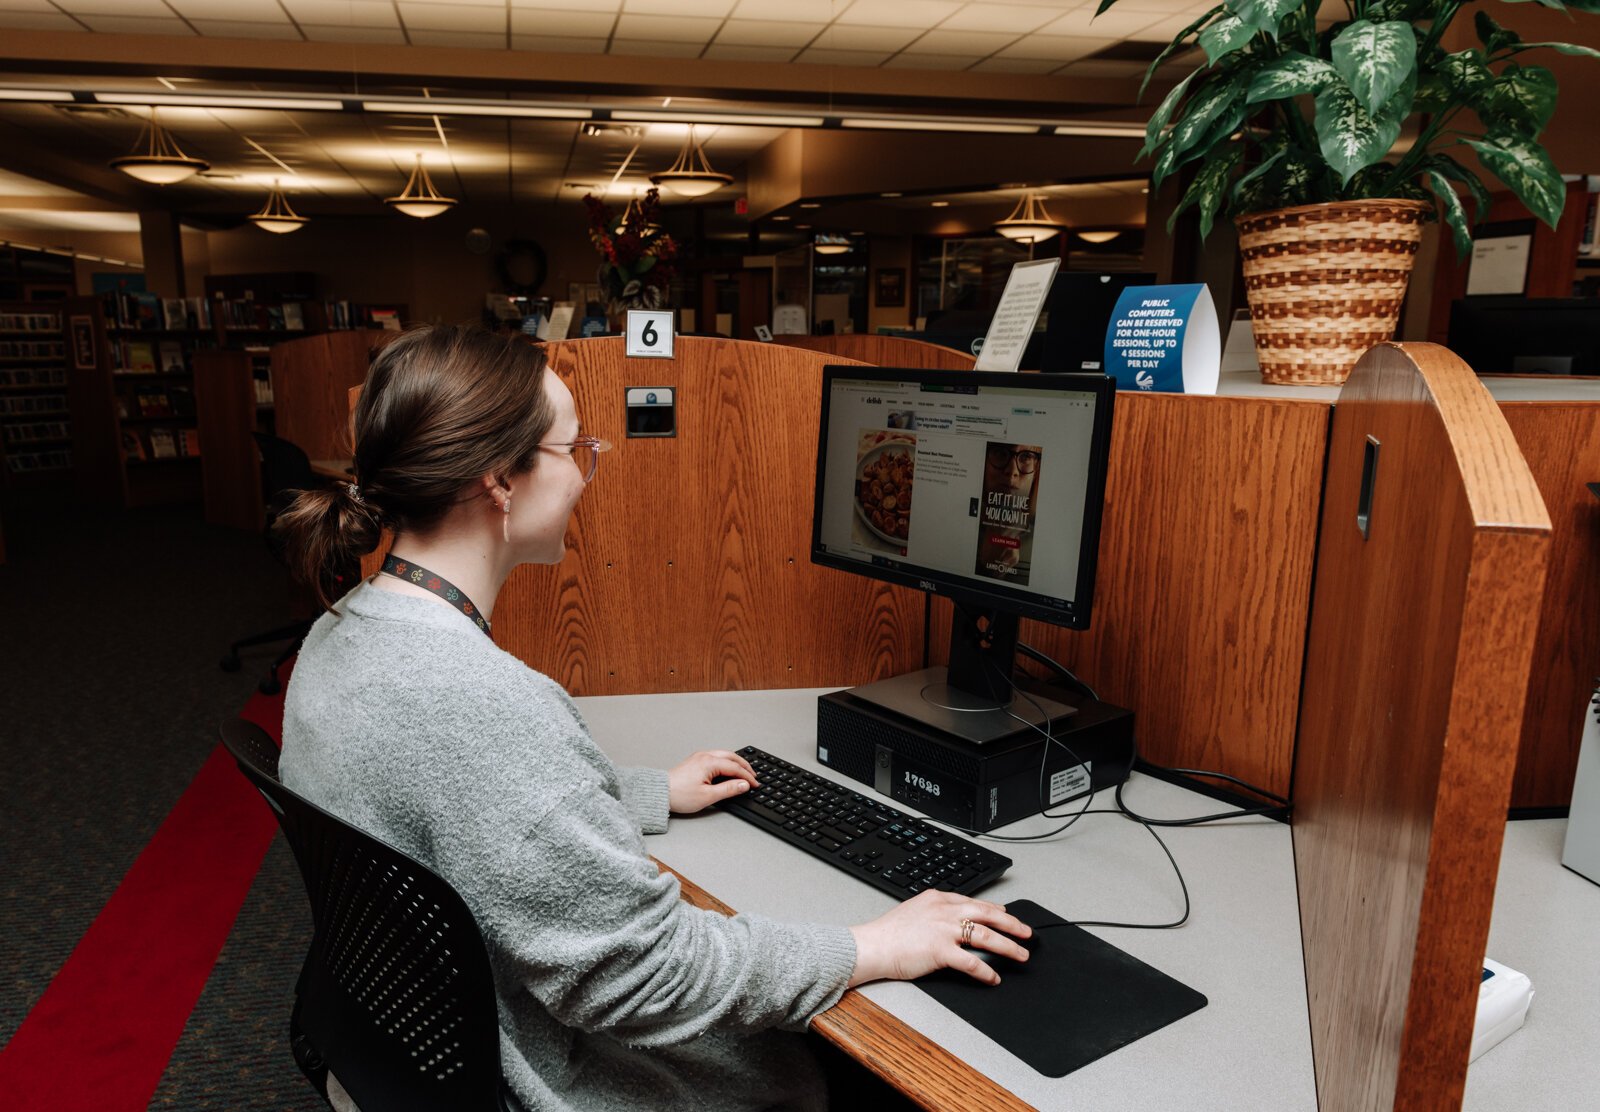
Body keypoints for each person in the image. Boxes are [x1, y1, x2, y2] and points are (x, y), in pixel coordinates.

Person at [274, 326, 1031, 1112]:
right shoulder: (482, 701)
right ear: (500, 479)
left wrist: (640, 794)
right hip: (545, 1077)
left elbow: (459, 802)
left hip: (401, 1055)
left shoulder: (343, 630)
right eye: (574, 449)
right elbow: (646, 976)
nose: (584, 474)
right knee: (850, 1068)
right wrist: (868, 945)